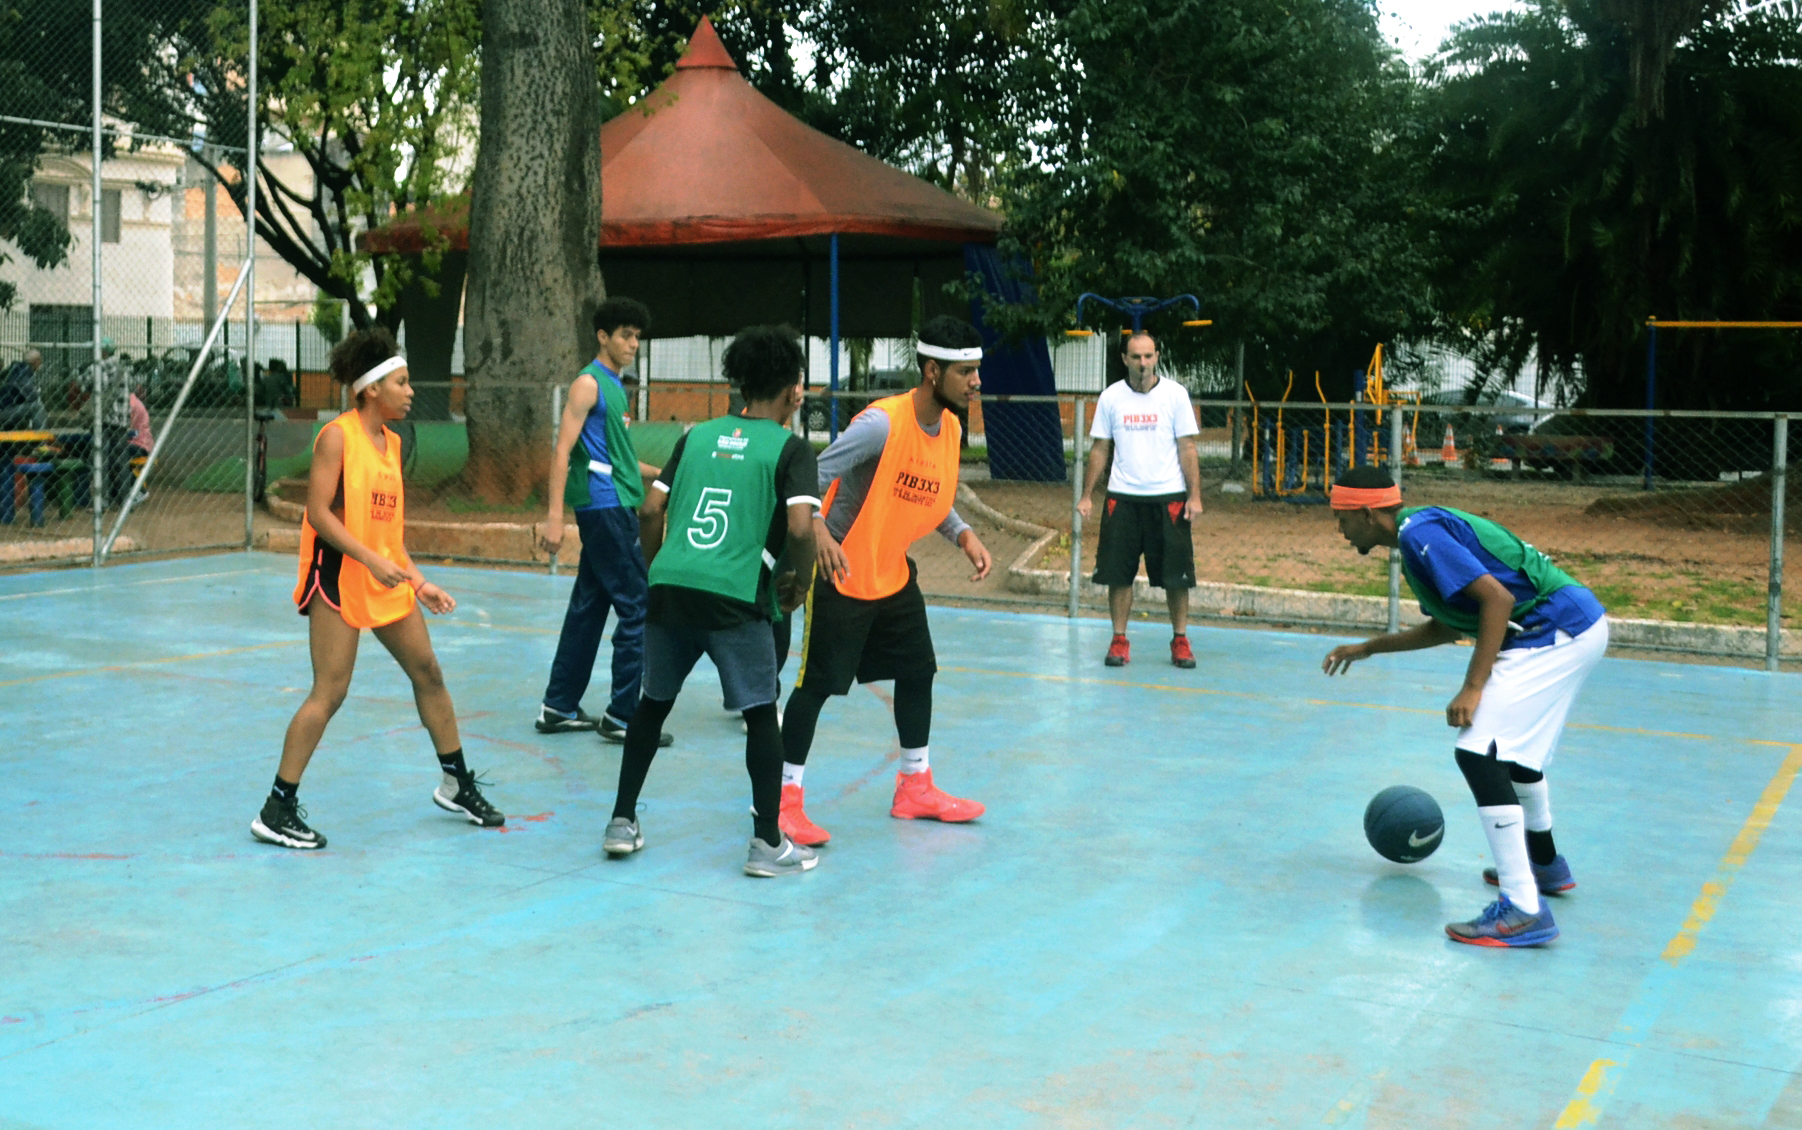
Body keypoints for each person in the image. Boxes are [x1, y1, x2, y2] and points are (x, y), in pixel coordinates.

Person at [1320, 466, 1608, 947]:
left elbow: (1496, 600)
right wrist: (1368, 647)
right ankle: (1546, 867)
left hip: (1555, 631)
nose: (1339, 530)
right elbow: (1448, 625)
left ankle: (1522, 910)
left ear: (1367, 513)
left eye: (1340, 518)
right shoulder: (1417, 539)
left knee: (1478, 751)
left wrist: (1474, 686)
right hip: (1570, 627)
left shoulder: (1419, 534)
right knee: (1511, 755)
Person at [252, 328, 502, 850]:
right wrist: (369, 560)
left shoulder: (390, 444)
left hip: (383, 575)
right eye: (402, 382)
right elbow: (318, 515)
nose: (411, 391)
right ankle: (276, 808)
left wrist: (419, 579)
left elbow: (388, 533)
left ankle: (456, 782)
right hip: (338, 576)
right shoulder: (336, 437)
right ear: (371, 389)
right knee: (331, 691)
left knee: (428, 670)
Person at [604, 325, 822, 876]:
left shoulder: (696, 436)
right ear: (795, 391)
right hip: (735, 596)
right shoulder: (792, 448)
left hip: (672, 588)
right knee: (758, 716)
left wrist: (659, 568)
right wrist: (799, 578)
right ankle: (767, 843)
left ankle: (621, 821)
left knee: (652, 704)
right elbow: (800, 526)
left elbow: (651, 511)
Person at [777, 315, 995, 847]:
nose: (976, 382)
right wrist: (820, 533)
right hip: (840, 573)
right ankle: (782, 803)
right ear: (931, 370)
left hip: (891, 573)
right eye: (966, 372)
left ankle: (914, 787)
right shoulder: (880, 424)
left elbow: (927, 491)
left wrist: (963, 533)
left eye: (976, 371)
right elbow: (812, 476)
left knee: (918, 670)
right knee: (815, 689)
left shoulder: (952, 429)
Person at [536, 297, 672, 746]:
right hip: (604, 506)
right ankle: (623, 714)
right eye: (625, 335)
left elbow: (621, 458)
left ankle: (558, 705)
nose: (633, 344)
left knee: (590, 605)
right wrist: (554, 519)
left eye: (637, 336)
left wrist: (669, 474)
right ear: (603, 337)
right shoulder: (588, 385)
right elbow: (562, 451)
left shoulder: (614, 386)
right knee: (637, 602)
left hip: (613, 499)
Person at [1077, 330, 1203, 668]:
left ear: (1157, 356)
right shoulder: (1111, 397)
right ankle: (1119, 640)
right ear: (1124, 360)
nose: (1142, 363)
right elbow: (1100, 448)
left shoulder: (1175, 395)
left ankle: (1180, 640)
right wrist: (1087, 495)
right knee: (1118, 575)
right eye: (1136, 357)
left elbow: (1187, 447)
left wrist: (1195, 497)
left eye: (1148, 356)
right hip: (1123, 499)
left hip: (1169, 499)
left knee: (1176, 577)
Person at [0, 349, 47, 431]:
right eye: (40, 360)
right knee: (37, 407)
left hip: (6, 407)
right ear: (36, 361)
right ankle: (41, 440)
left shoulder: (16, 369)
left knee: (28, 408)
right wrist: (37, 393)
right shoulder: (24, 371)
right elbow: (30, 395)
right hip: (3, 410)